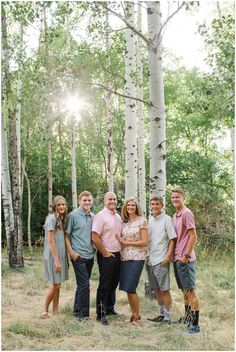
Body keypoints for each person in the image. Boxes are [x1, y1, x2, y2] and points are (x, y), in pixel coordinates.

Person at [171, 187, 201, 334]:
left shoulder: (186, 213)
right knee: (184, 290)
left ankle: (195, 324)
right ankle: (187, 318)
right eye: (173, 197)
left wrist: (186, 256)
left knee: (191, 291)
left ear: (183, 197)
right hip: (177, 259)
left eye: (178, 197)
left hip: (185, 259)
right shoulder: (175, 215)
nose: (175, 199)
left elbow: (193, 236)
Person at [117, 197, 148, 326]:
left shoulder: (142, 221)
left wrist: (126, 242)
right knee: (127, 288)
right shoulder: (124, 223)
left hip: (137, 258)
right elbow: (122, 242)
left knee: (131, 287)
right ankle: (134, 314)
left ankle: (137, 316)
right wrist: (119, 242)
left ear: (136, 207)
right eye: (128, 205)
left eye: (133, 205)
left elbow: (144, 242)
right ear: (125, 207)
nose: (130, 207)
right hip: (124, 258)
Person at [92, 192, 122, 325]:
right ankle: (101, 313)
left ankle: (110, 308)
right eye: (110, 199)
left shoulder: (118, 216)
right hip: (106, 254)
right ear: (104, 201)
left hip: (117, 254)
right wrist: (104, 253)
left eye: (114, 199)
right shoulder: (100, 216)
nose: (113, 201)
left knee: (114, 283)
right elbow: (94, 237)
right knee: (105, 284)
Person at [146, 196, 177, 324]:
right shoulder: (150, 219)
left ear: (162, 205)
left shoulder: (167, 219)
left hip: (161, 260)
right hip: (150, 260)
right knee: (157, 290)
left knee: (164, 289)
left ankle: (168, 317)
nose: (154, 206)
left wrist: (168, 257)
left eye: (157, 204)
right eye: (152, 204)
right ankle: (162, 314)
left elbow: (172, 239)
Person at [65, 191, 95, 321]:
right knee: (85, 285)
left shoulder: (93, 216)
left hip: (90, 256)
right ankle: (83, 315)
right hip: (78, 256)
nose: (87, 203)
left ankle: (76, 310)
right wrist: (71, 253)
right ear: (79, 201)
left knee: (81, 285)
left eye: (89, 200)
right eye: (84, 200)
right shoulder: (73, 215)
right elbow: (66, 236)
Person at [41, 195, 69, 319]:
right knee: (55, 285)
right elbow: (51, 241)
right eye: (59, 205)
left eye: (63, 204)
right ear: (55, 206)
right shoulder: (51, 218)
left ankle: (56, 310)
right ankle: (45, 309)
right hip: (53, 256)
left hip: (61, 255)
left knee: (58, 284)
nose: (62, 206)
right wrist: (57, 260)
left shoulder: (61, 219)